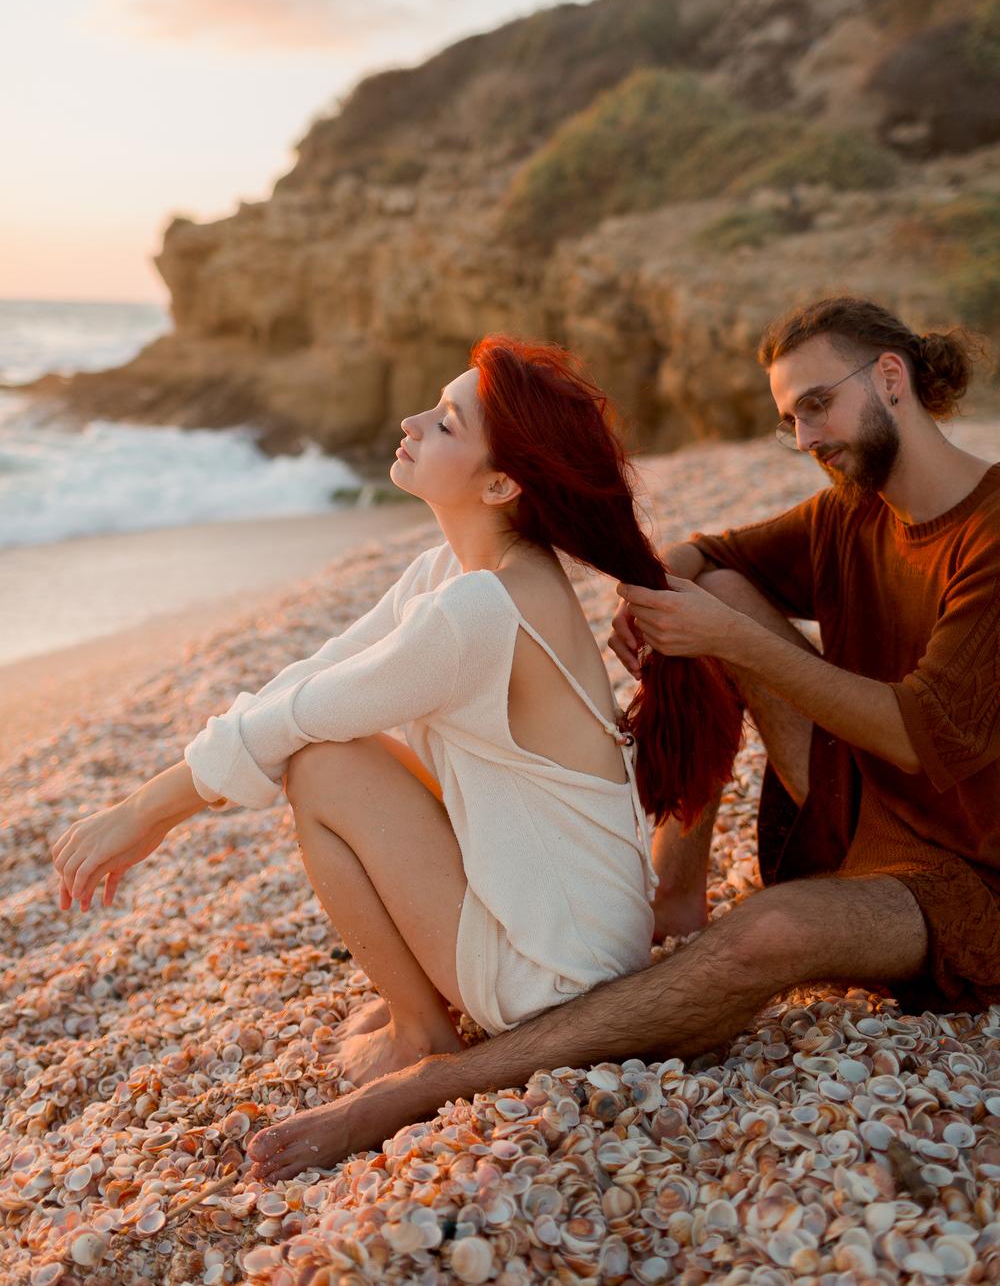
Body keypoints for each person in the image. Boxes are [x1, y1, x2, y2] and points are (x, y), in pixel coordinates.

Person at [241, 294, 1000, 1186]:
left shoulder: (990, 534)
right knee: (707, 587)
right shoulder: (850, 512)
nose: (805, 437)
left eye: (817, 406)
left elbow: (920, 736)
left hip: (959, 876)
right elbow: (700, 552)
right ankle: (673, 892)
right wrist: (647, 600)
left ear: (891, 378)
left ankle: (437, 1080)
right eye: (788, 419)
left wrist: (728, 641)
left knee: (767, 934)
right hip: (855, 810)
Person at [50, 335, 740, 1091]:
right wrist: (159, 797)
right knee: (330, 735)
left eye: (446, 422)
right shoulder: (461, 572)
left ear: (502, 484)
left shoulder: (481, 606)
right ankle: (427, 1001)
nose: (412, 422)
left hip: (558, 977)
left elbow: (300, 718)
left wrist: (146, 812)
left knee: (323, 762)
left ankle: (420, 1030)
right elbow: (315, 676)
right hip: (584, 933)